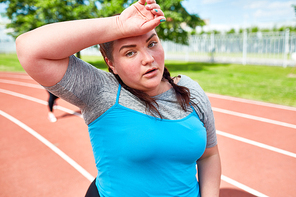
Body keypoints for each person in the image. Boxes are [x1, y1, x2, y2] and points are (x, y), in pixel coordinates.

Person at [16, 0, 221, 196]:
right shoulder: (101, 91)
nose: (148, 59)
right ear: (111, 63)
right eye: (130, 53)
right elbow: (29, 48)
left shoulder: (190, 90)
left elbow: (209, 155)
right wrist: (119, 25)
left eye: (152, 44)